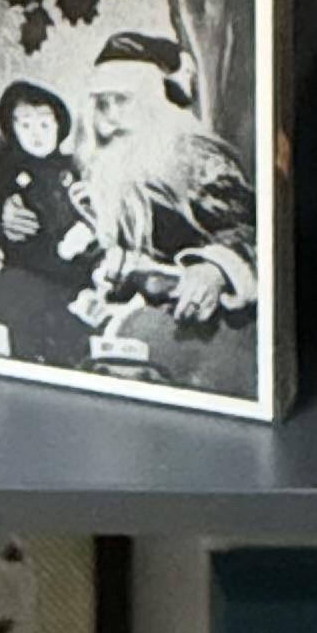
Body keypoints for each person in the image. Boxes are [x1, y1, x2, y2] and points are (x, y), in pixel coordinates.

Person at [73, 30, 258, 379]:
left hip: (209, 334)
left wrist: (214, 270)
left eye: (123, 100)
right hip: (139, 325)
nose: (111, 115)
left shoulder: (197, 156)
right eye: (103, 103)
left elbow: (250, 231)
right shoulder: (102, 164)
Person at [0, 80, 101, 368]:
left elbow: (88, 208)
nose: (36, 134)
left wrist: (85, 229)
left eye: (44, 124)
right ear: (13, 129)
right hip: (25, 258)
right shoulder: (11, 168)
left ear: (59, 126)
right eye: (26, 125)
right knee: (12, 292)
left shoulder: (70, 168)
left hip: (67, 261)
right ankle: (2, 335)